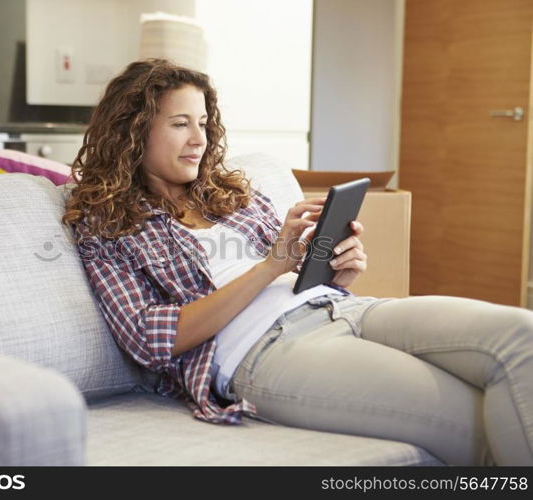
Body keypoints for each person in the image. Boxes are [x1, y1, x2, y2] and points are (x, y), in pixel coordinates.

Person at [63, 58, 533, 466]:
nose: (199, 139)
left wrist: (337, 271)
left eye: (203, 123)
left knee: (520, 338)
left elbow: (294, 270)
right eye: (180, 123)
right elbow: (151, 341)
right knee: (478, 424)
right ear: (133, 129)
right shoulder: (106, 224)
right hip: (267, 352)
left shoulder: (233, 193)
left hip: (341, 309)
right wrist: (270, 266)